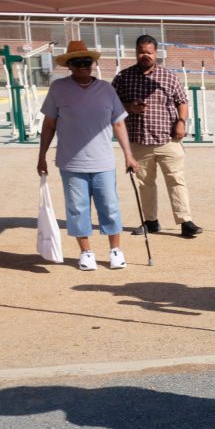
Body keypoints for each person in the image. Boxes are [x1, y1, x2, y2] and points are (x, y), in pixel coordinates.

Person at [37, 40, 138, 271]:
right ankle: (86, 252)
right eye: (77, 62)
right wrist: (41, 155)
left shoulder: (106, 89)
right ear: (69, 66)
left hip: (103, 161)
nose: (83, 66)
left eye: (87, 61)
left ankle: (115, 249)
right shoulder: (58, 89)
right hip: (71, 162)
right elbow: (49, 124)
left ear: (93, 64)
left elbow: (119, 124)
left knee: (110, 206)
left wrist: (128, 156)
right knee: (77, 208)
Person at [112, 34, 203, 239]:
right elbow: (111, 104)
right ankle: (150, 221)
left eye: (149, 52)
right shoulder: (123, 78)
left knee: (176, 179)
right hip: (139, 140)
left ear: (156, 53)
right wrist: (130, 107)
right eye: (142, 52)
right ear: (135, 52)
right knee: (145, 183)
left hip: (168, 139)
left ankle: (185, 221)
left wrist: (181, 122)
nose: (145, 56)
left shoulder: (168, 76)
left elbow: (182, 101)